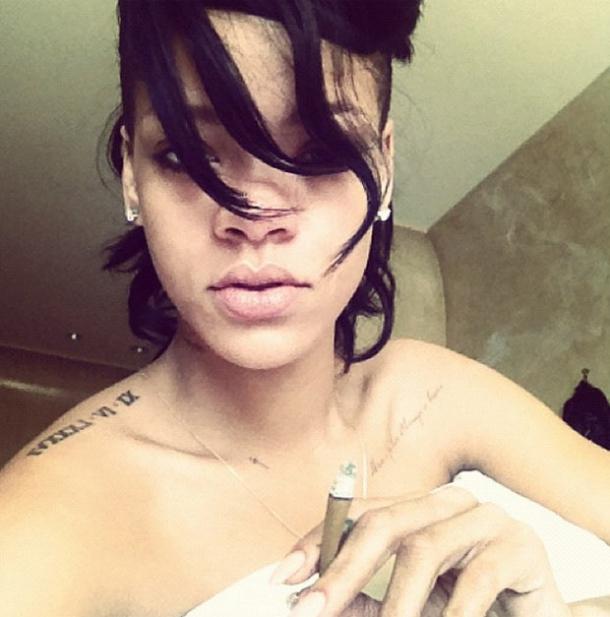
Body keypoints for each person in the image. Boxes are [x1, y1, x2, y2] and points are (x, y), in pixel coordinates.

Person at [1, 1, 609, 615]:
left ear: (383, 166)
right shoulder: (43, 524)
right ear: (134, 174)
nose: (255, 216)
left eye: (322, 150)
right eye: (189, 154)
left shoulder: (434, 394)